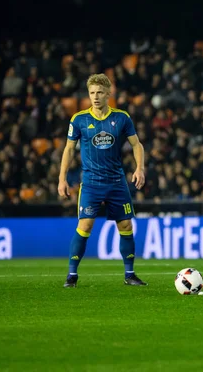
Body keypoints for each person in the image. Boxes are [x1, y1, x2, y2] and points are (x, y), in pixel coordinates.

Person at [58, 73, 147, 288]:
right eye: (92, 93)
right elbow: (69, 149)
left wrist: (140, 168)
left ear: (108, 94)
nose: (95, 97)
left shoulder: (122, 118)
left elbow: (137, 144)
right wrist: (62, 178)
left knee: (125, 225)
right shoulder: (79, 119)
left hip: (117, 182)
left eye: (99, 93)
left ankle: (130, 274)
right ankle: (72, 275)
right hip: (90, 183)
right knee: (85, 225)